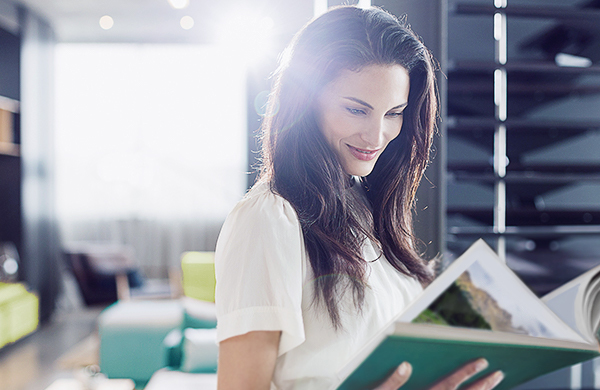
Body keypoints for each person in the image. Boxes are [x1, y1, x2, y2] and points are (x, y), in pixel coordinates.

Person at [214, 5, 504, 390]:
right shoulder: (268, 218)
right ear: (306, 100)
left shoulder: (368, 209)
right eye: (356, 109)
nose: (376, 136)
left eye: (394, 113)